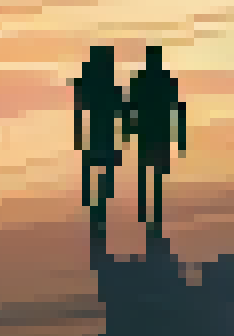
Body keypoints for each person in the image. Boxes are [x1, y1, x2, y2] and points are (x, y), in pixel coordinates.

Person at [123, 45, 187, 226]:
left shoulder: (142, 79)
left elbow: (130, 106)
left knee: (149, 171)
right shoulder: (164, 79)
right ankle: (150, 210)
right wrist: (179, 137)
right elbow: (177, 109)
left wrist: (128, 130)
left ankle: (147, 209)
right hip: (155, 129)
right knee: (152, 171)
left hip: (151, 129)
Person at [70, 44, 127, 219]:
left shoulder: (99, 85)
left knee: (96, 162)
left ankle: (96, 196)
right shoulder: (104, 86)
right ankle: (95, 195)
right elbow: (121, 109)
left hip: (101, 129)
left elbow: (80, 108)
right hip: (99, 129)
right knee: (96, 162)